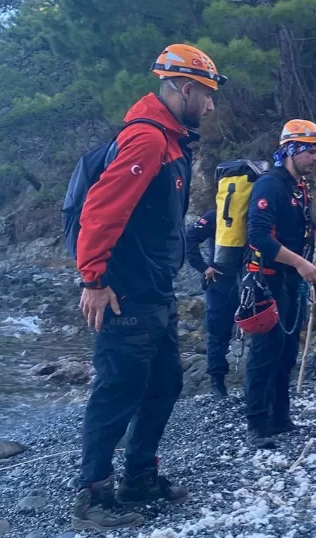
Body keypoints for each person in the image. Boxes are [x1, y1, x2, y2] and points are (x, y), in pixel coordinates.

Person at [72, 44, 223, 531]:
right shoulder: (148, 140)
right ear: (185, 89)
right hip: (126, 291)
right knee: (118, 389)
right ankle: (93, 493)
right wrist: (93, 280)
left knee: (165, 383)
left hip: (156, 289)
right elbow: (101, 210)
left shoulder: (173, 142)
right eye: (207, 95)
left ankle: (139, 475)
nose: (211, 105)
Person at [245, 119, 316, 449]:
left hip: (293, 280)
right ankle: (256, 423)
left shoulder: (299, 186)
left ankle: (280, 417)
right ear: (291, 150)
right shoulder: (270, 185)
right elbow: (257, 236)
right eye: (310, 151)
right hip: (270, 279)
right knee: (265, 352)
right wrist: (300, 263)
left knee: (286, 351)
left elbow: (307, 219)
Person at [185, 208, 238, 398]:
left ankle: (218, 384)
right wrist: (203, 267)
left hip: (223, 280)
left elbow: (190, 237)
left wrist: (204, 267)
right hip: (235, 279)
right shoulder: (220, 214)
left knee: (217, 333)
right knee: (219, 333)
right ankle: (218, 383)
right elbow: (190, 238)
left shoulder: (219, 213)